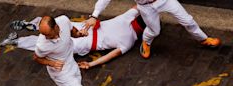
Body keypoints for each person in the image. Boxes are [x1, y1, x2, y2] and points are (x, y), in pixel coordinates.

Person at [1, 7, 146, 69]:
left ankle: (32, 24)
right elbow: (109, 56)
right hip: (87, 43)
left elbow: (139, 5)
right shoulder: (129, 41)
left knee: (54, 25)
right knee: (49, 45)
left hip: (85, 27)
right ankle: (16, 41)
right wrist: (91, 64)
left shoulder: (128, 17)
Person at [83, 0, 221, 59]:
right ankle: (146, 42)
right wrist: (94, 15)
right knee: (154, 31)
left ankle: (203, 39)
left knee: (188, 20)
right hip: (145, 7)